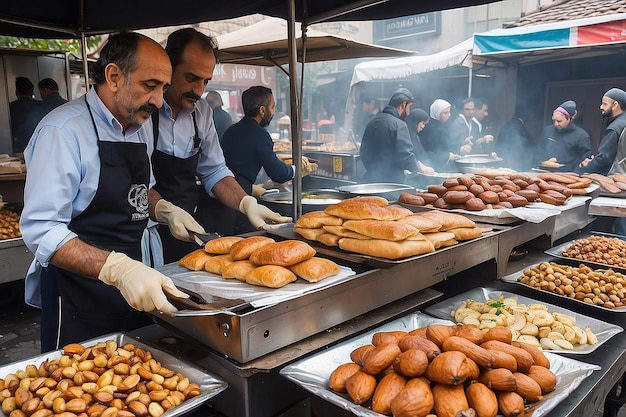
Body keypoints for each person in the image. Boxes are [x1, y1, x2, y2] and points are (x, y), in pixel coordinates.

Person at [20, 32, 193, 352]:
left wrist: (164, 210)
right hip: (79, 297)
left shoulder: (141, 125)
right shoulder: (62, 131)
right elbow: (42, 229)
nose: (158, 101)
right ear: (114, 76)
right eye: (149, 85)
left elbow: (143, 189)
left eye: (164, 88)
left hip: (135, 289)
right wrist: (117, 268)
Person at [152, 28, 291, 263]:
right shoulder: (146, 110)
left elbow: (214, 171)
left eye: (205, 81)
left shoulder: (202, 112)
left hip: (191, 229)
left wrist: (246, 202)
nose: (199, 90)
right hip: (148, 231)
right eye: (191, 78)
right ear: (169, 68)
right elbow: (134, 182)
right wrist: (166, 211)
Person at [220, 86, 318, 233]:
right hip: (239, 197)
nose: (274, 112)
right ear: (262, 110)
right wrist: (297, 169)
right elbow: (277, 173)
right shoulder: (259, 134)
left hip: (222, 193)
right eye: (272, 107)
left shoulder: (231, 130)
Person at [359, 87, 418, 183]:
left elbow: (363, 152)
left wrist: (374, 171)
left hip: (370, 181)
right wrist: (418, 168)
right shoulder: (399, 125)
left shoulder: (372, 122)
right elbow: (405, 156)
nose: (409, 112)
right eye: (409, 107)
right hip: (393, 183)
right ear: (403, 104)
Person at [578, 88, 626, 176]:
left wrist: (586, 167)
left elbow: (604, 160)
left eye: (605, 104)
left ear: (615, 105)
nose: (601, 107)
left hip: (617, 179)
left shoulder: (614, 128)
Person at [534, 102, 591, 172]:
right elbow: (539, 151)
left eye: (559, 121)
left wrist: (576, 172)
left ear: (569, 119)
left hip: (569, 174)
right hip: (545, 172)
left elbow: (585, 159)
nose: (556, 124)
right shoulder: (547, 131)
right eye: (554, 120)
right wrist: (539, 163)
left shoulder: (581, 135)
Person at [495, 107, 535, 172]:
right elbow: (526, 148)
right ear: (526, 116)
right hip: (515, 165)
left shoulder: (507, 125)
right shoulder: (520, 127)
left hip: (502, 163)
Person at [9, 76, 41, 154]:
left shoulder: (10, 107)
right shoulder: (41, 106)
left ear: (17, 92)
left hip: (18, 150)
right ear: (32, 92)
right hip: (39, 148)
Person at [420, 98, 453, 172]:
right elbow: (432, 151)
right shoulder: (431, 128)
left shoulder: (443, 125)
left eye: (449, 112)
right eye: (445, 113)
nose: (449, 115)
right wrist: (447, 156)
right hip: (432, 167)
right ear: (437, 113)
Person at [405, 108, 435, 174]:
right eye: (423, 123)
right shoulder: (409, 135)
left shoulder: (414, 135)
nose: (423, 126)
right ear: (416, 121)